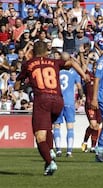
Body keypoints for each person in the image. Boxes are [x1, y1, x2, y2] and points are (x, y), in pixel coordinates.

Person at [15, 41, 88, 176]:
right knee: (48, 127)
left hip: (42, 99)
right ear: (46, 52)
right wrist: (84, 76)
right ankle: (51, 151)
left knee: (40, 136)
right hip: (58, 101)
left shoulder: (29, 64)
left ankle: (50, 161)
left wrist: (24, 83)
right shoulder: (54, 62)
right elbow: (71, 62)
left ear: (33, 52)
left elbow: (17, 86)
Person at [53, 53, 83, 158]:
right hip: (69, 102)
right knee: (70, 127)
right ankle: (69, 151)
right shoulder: (74, 72)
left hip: (58, 101)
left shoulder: (56, 71)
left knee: (56, 126)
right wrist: (81, 97)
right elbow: (79, 87)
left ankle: (58, 150)